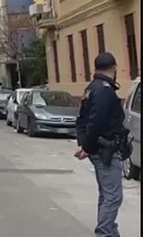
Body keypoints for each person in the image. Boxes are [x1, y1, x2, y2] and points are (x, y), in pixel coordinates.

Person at [75, 52, 130, 237]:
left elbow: (81, 120)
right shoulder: (104, 91)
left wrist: (85, 145)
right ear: (114, 68)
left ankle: (109, 231)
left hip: (98, 148)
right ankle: (105, 232)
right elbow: (95, 122)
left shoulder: (91, 89)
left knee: (107, 194)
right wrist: (88, 147)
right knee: (113, 196)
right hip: (106, 150)